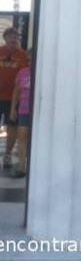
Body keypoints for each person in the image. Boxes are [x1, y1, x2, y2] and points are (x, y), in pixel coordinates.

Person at [0, 27, 28, 170]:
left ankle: (8, 155)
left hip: (13, 99)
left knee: (12, 128)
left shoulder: (23, 56)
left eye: (16, 37)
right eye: (11, 36)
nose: (14, 39)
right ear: (5, 38)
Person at [9, 49, 32, 178]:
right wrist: (13, 109)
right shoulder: (22, 73)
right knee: (22, 137)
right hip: (23, 110)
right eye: (28, 60)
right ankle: (23, 167)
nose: (30, 63)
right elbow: (16, 92)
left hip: (38, 112)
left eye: (32, 60)